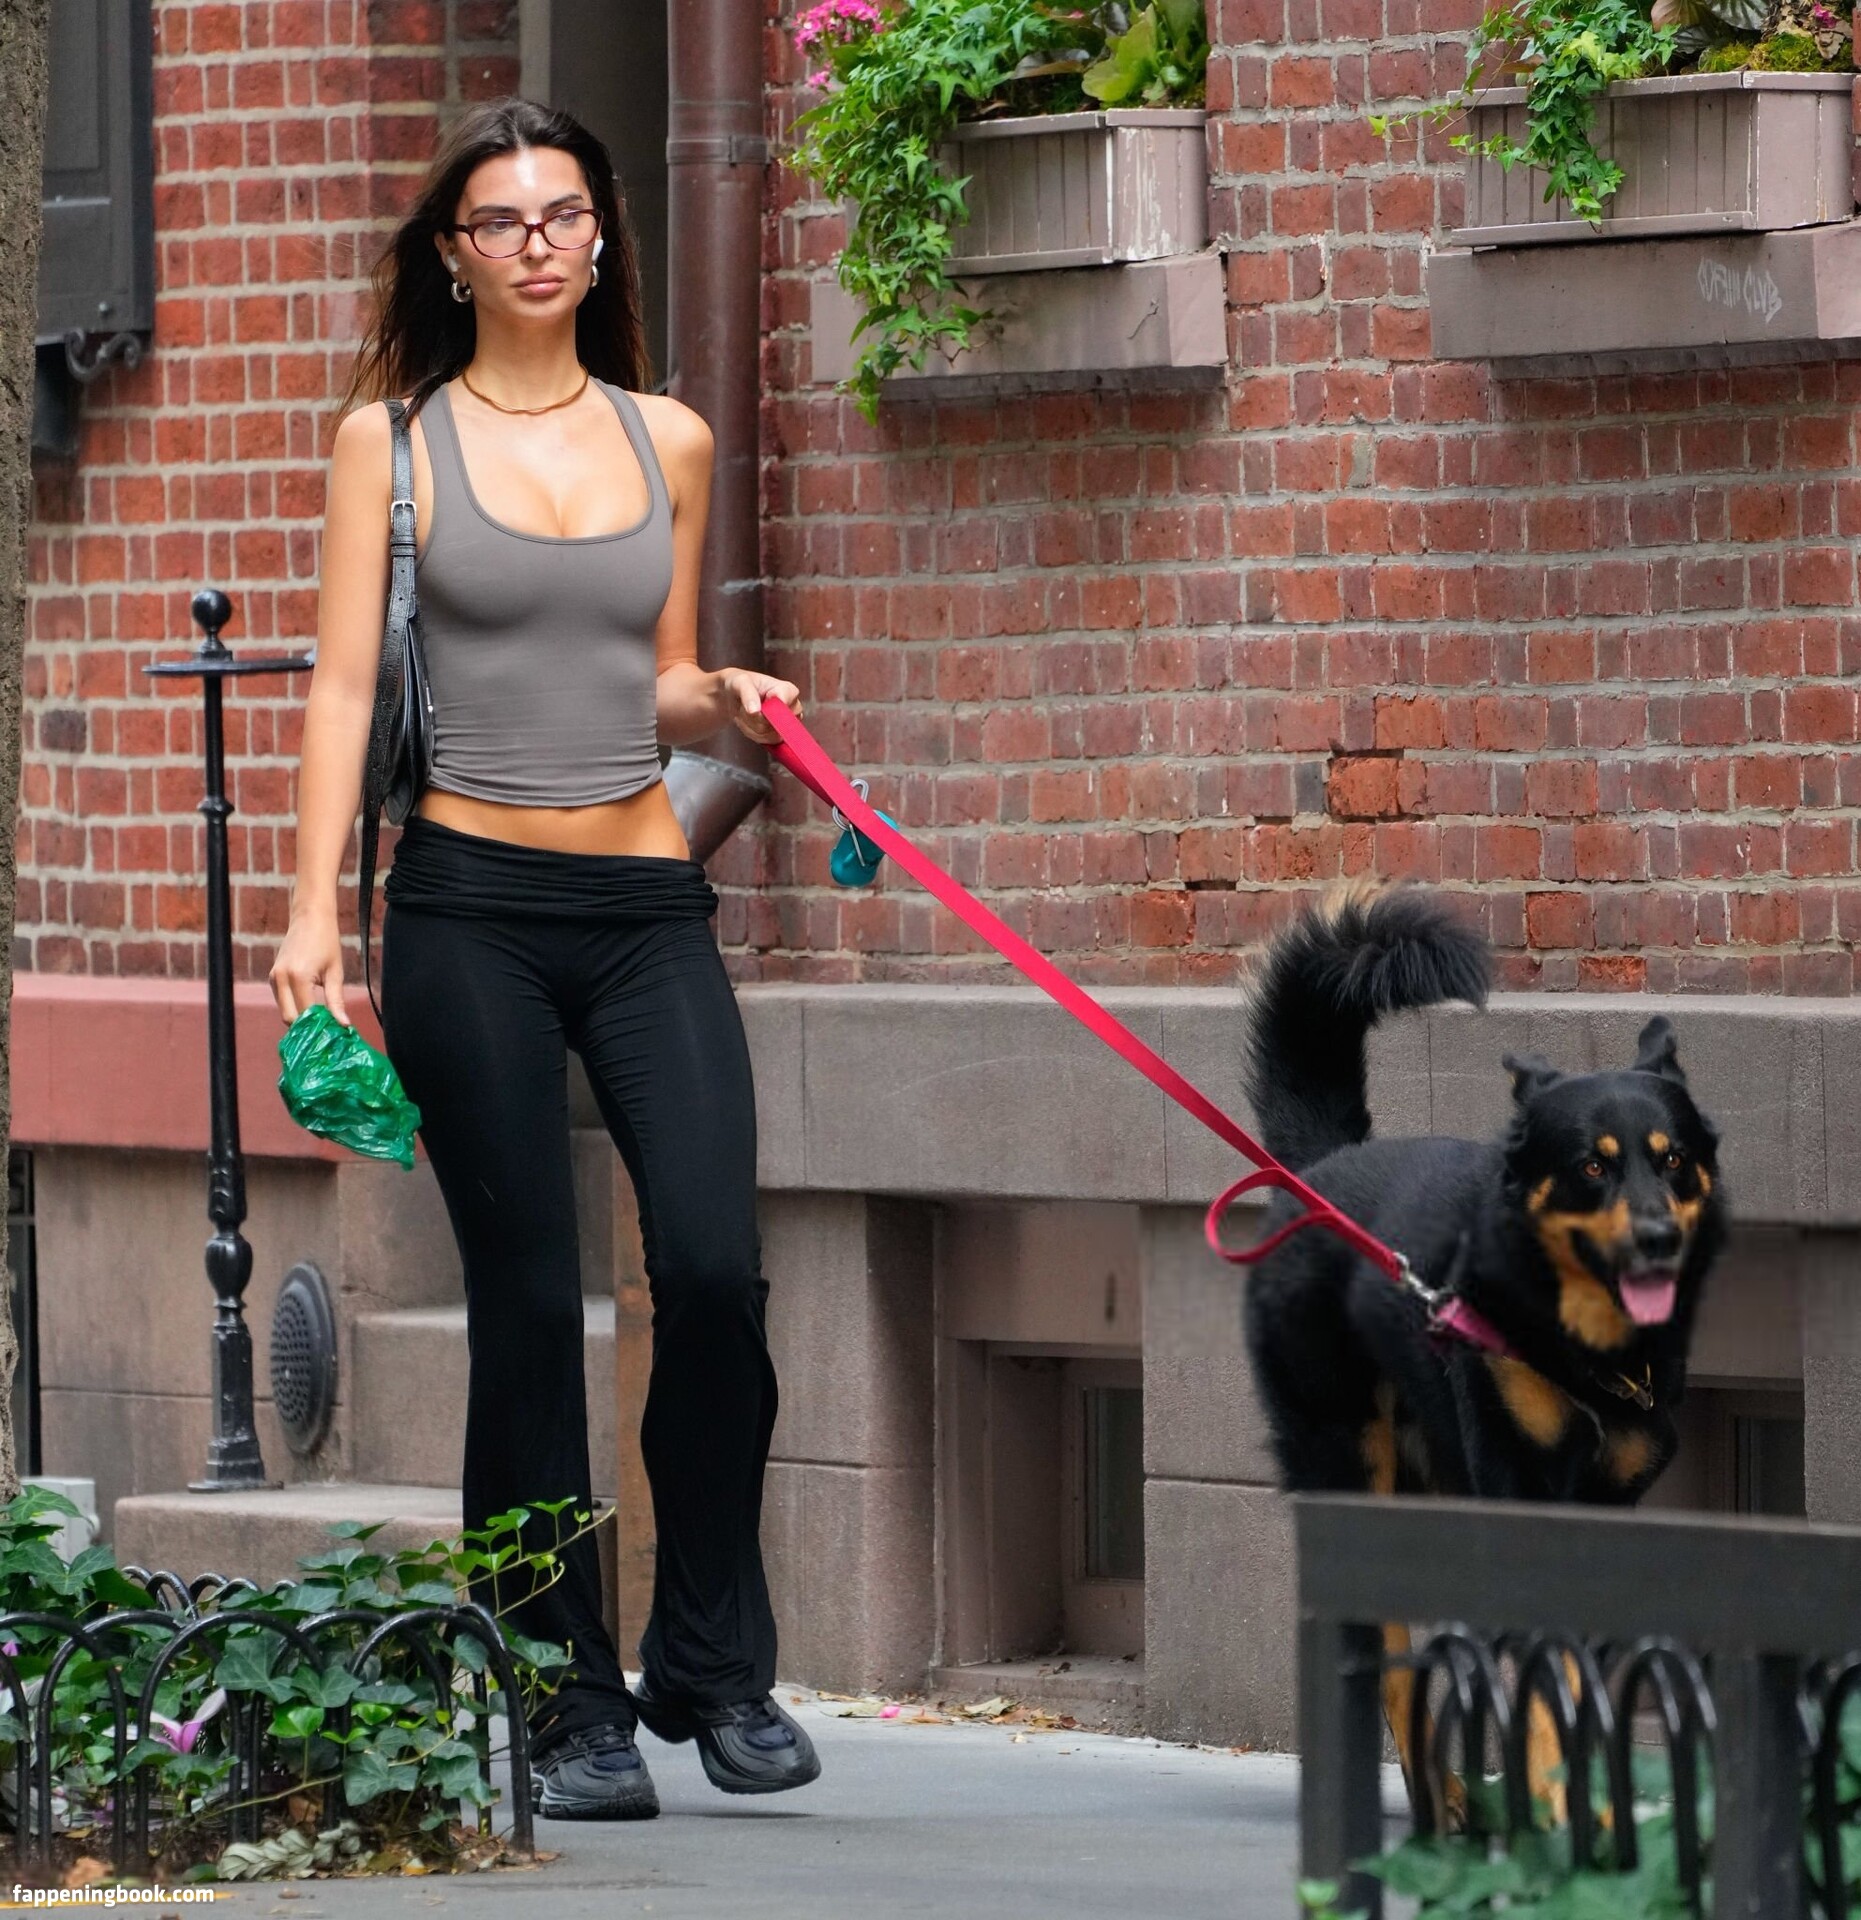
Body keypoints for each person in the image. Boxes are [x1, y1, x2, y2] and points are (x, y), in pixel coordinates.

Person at [266, 97, 817, 1820]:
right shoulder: (392, 444)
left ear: (598, 237)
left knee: (713, 1272)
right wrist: (309, 911)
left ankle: (712, 1663)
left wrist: (726, 701)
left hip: (643, 903)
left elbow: (652, 679)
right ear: (455, 251)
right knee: (524, 1307)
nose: (537, 244)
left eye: (564, 215)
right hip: (467, 911)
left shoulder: (670, 439)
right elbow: (344, 687)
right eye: (502, 220)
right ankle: (562, 1693)